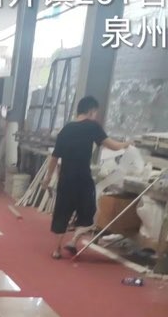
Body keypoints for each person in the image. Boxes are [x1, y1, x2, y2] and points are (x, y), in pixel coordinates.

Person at [43, 95, 130, 258]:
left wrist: (48, 178)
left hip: (65, 179)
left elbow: (54, 157)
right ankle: (73, 241)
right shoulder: (92, 126)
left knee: (62, 212)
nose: (96, 116)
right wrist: (127, 144)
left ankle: (56, 249)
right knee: (88, 212)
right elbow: (112, 145)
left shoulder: (66, 130)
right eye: (95, 113)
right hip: (82, 178)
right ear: (91, 111)